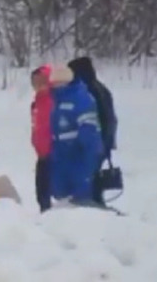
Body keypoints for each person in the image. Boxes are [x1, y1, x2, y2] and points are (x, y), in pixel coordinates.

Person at [48, 64, 104, 206]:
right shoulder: (56, 100)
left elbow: (89, 130)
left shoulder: (80, 98)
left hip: (78, 155)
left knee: (81, 194)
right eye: (54, 83)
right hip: (60, 156)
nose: (56, 86)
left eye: (59, 83)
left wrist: (86, 150)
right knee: (60, 193)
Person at [67, 56, 119, 205]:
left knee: (88, 179)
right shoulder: (101, 88)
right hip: (104, 140)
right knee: (94, 178)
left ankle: (92, 206)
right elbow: (111, 118)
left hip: (94, 141)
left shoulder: (85, 91)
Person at [30, 65, 53, 212]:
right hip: (41, 153)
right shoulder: (36, 103)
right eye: (35, 83)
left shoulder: (54, 99)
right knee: (41, 190)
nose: (39, 86)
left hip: (53, 152)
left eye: (42, 82)